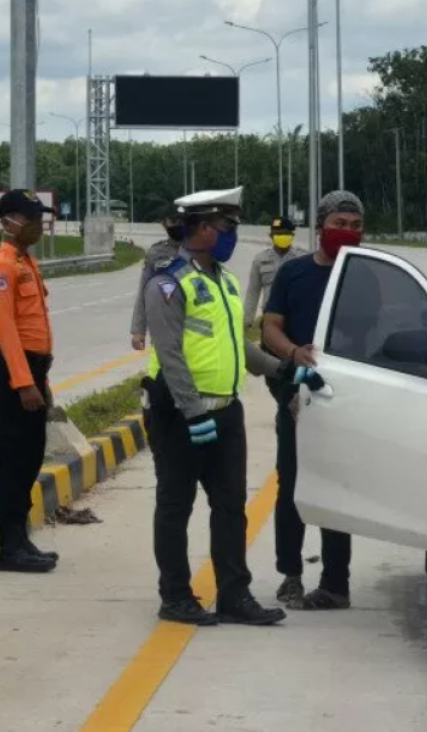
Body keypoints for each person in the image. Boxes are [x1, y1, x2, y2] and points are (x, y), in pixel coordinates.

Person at [143, 185, 291, 627]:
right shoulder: (169, 282)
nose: (232, 234)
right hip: (180, 416)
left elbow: (238, 347)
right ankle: (175, 596)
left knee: (231, 508)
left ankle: (234, 593)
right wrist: (193, 413)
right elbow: (169, 355)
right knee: (176, 506)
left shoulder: (224, 280)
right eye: (228, 226)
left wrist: (281, 368)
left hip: (226, 413)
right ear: (203, 228)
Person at [262, 189, 365, 610]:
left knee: (338, 488)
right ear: (321, 225)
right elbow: (269, 327)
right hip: (297, 395)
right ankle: (290, 575)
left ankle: (336, 583)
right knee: (292, 485)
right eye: (339, 224)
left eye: (356, 227)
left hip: (349, 399)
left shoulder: (367, 276)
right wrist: (293, 353)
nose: (347, 233)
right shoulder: (294, 273)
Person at [0, 189, 58, 574]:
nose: (38, 225)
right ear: (10, 220)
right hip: (13, 375)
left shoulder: (27, 261)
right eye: (31, 219)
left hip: (32, 372)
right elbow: (6, 329)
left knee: (30, 457)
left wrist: (41, 381)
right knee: (12, 460)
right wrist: (23, 382)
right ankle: (9, 546)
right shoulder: (0, 267)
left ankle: (20, 537)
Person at [131, 202, 185, 352]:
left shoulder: (198, 250)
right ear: (164, 224)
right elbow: (144, 291)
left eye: (182, 221)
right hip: (164, 325)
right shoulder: (156, 254)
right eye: (173, 221)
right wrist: (138, 330)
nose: (178, 225)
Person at [244, 216, 306, 330]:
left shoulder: (302, 259)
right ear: (271, 236)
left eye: (285, 234)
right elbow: (253, 293)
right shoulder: (260, 259)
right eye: (278, 234)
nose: (282, 237)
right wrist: (247, 321)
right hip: (269, 319)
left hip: (296, 318)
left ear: (292, 236)